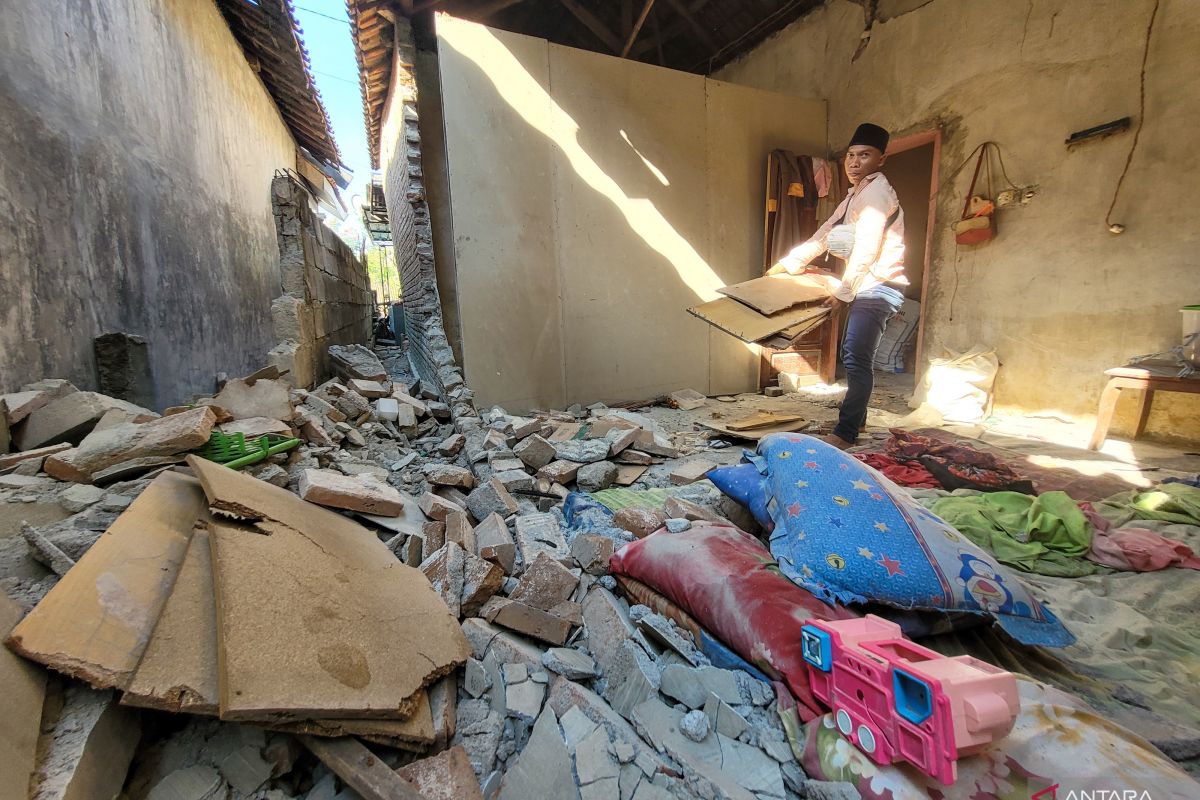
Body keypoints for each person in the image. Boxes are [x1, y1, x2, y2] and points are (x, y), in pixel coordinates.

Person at [767, 122, 907, 449]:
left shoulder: (876, 194)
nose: (854, 163)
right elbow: (825, 235)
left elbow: (868, 249)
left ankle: (845, 433)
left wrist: (843, 294)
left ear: (881, 159)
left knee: (856, 358)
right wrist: (790, 263)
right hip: (863, 284)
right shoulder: (853, 196)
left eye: (865, 155)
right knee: (853, 354)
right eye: (851, 156)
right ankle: (854, 420)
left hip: (879, 284)